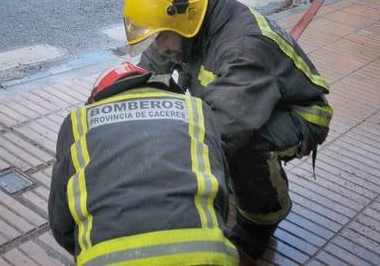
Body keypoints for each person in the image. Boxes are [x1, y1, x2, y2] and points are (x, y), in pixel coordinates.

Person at [123, 0, 333, 262]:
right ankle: (238, 185)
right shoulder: (189, 26)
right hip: (251, 102)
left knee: (243, 148)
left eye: (163, 38)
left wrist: (163, 178)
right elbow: (144, 75)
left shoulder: (242, 47)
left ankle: (259, 222)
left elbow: (225, 130)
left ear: (185, 23)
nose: (160, 47)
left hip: (299, 112)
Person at [49, 61, 239, 265]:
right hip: (207, 256)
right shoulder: (198, 111)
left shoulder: (79, 121)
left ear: (98, 97)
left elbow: (62, 223)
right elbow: (221, 195)